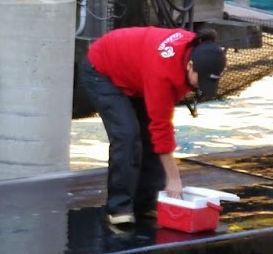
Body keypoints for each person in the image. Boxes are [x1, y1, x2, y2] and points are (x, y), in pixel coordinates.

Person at [79, 25, 226, 226]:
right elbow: (162, 128)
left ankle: (146, 202)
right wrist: (174, 179)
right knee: (128, 135)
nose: (201, 87)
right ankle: (118, 207)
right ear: (190, 66)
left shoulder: (199, 50)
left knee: (148, 134)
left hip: (136, 74)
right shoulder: (163, 73)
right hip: (102, 69)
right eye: (201, 81)